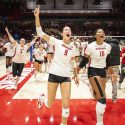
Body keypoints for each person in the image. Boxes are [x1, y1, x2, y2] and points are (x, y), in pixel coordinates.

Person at [34, 6, 79, 125]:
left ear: (71, 33)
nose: (68, 31)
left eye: (69, 30)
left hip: (66, 77)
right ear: (62, 33)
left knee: (66, 103)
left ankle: (63, 123)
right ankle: (43, 100)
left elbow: (73, 61)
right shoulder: (56, 42)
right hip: (54, 74)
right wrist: (37, 16)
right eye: (66, 30)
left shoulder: (74, 47)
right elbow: (40, 33)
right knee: (50, 104)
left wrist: (76, 75)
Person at [76, 28, 118, 125]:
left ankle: (89, 85)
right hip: (93, 71)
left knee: (97, 96)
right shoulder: (90, 46)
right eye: (99, 32)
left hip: (102, 71)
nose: (102, 33)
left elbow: (108, 61)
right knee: (102, 97)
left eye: (103, 32)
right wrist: (76, 71)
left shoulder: (108, 46)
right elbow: (84, 61)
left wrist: (112, 73)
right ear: (95, 36)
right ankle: (99, 123)